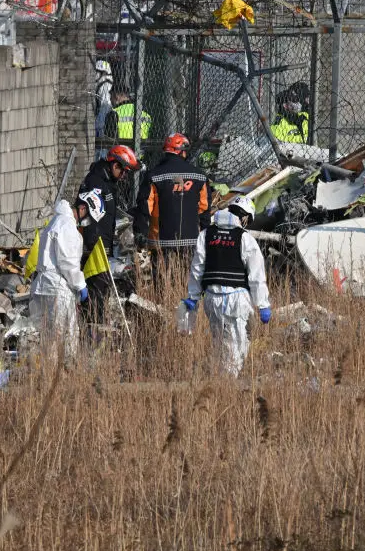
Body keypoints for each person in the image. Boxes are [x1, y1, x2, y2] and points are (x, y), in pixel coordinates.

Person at [184, 195, 271, 376]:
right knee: (237, 349)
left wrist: (193, 296)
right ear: (245, 217)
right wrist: (262, 304)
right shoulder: (245, 238)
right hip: (236, 299)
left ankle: (219, 382)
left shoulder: (206, 234)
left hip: (211, 299)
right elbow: (256, 275)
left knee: (219, 344)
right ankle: (229, 388)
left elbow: (197, 268)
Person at [77, 144, 141, 320]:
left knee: (102, 289)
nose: (124, 176)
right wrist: (94, 246)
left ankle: (96, 322)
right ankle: (93, 327)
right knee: (97, 290)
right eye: (124, 171)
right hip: (95, 247)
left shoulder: (106, 182)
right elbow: (87, 217)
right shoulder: (95, 183)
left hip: (102, 245)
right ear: (115, 165)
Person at [133, 133, 212, 273]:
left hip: (160, 242)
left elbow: (144, 209)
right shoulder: (199, 176)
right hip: (191, 241)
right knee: (188, 282)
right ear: (181, 151)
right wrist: (205, 235)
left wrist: (140, 233)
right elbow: (204, 209)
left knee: (161, 283)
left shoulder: (153, 176)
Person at [29, 199, 88, 358]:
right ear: (82, 208)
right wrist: (80, 284)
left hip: (43, 286)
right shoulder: (67, 225)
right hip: (58, 289)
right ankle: (61, 375)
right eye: (87, 214)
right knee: (63, 336)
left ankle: (47, 374)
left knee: (46, 337)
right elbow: (67, 262)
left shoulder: (56, 221)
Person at [94, 60, 114, 140]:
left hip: (101, 130)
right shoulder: (105, 84)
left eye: (96, 72)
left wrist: (98, 125)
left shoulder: (104, 86)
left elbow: (105, 107)